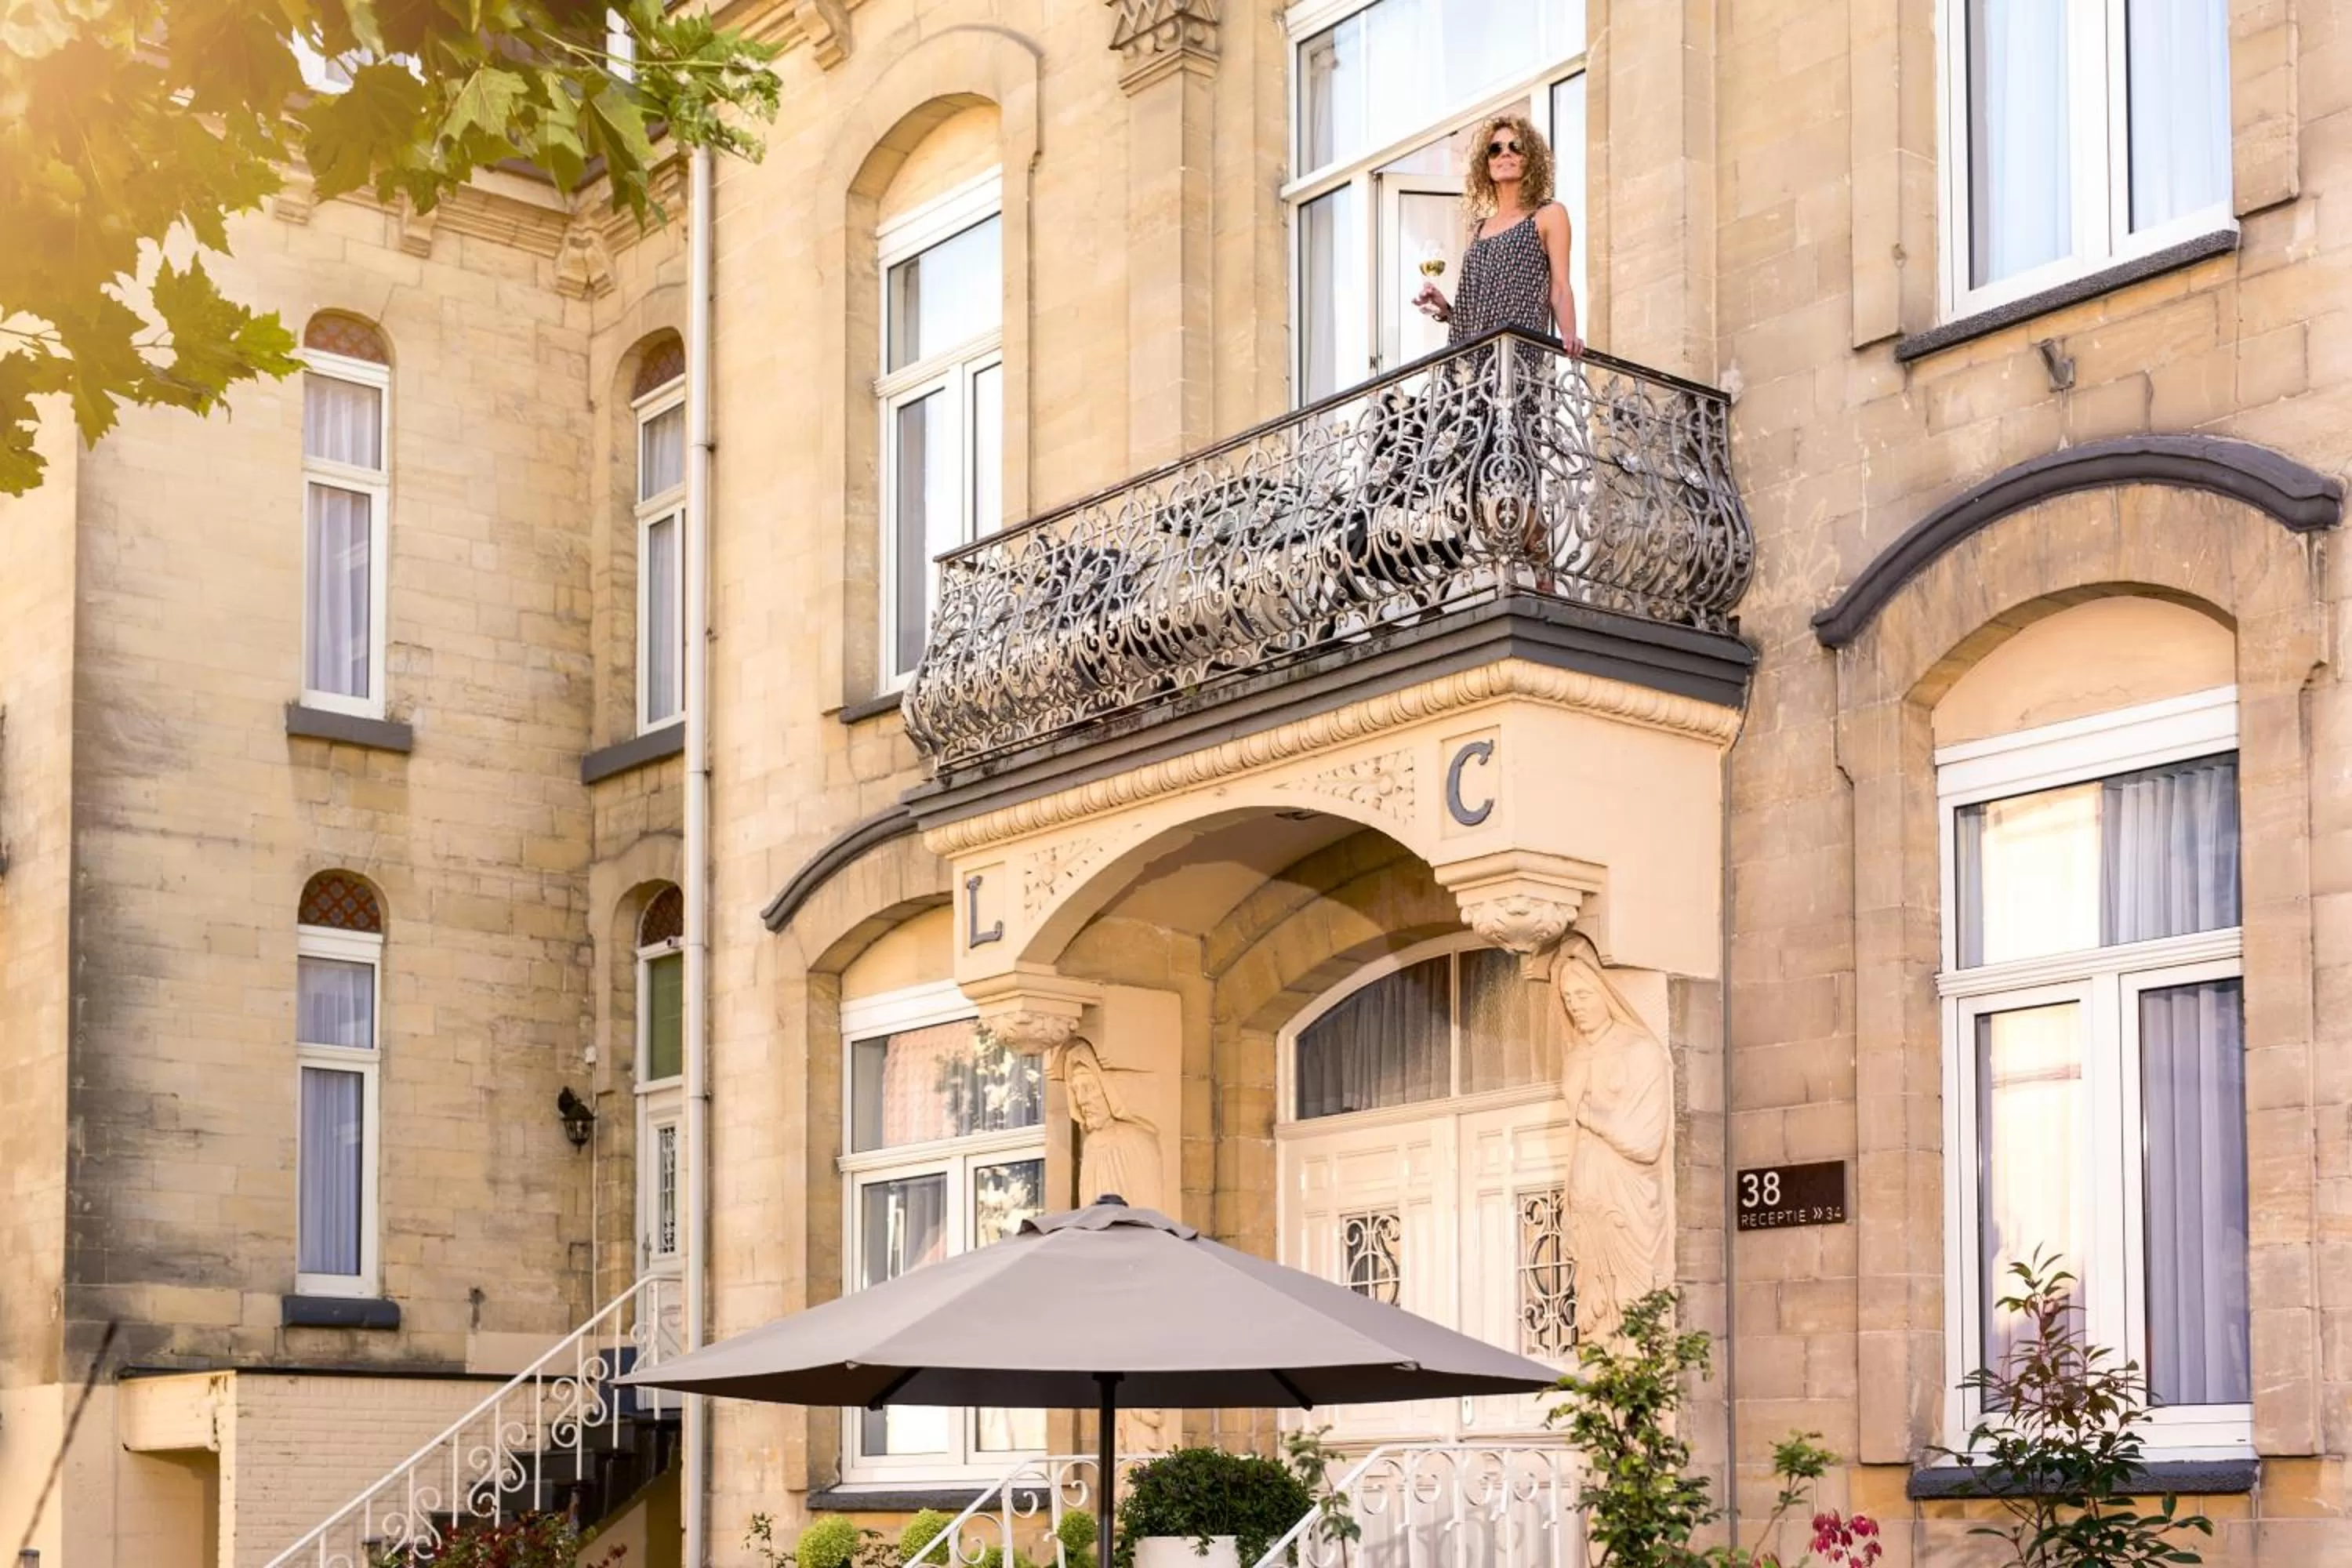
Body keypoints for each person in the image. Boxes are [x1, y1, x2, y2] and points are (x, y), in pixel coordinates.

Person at [1552, 948, 1669, 1344]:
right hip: (1588, 1201)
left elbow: (1647, 1141)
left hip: (1627, 1198)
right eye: (1569, 1000)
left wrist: (1592, 1115)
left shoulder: (1640, 1050)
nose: (1575, 1007)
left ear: (1605, 993)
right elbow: (1573, 1142)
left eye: (1583, 996)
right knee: (1595, 1315)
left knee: (1635, 1309)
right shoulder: (1574, 1059)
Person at [1414, 113, 1582, 357]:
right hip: (1470, 368)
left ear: (1530, 159)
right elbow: (1474, 314)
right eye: (1495, 149)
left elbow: (1560, 287)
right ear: (1486, 163)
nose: (1506, 153)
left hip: (1518, 357)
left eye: (1516, 147)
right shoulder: (1478, 229)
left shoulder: (1548, 215)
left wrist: (1569, 335)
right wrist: (1445, 309)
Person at [1065, 1037, 1162, 1210]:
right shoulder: (1090, 1145)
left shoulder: (1136, 1139)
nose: (1081, 1100)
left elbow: (1149, 1208)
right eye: (1076, 1090)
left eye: (1089, 1088)